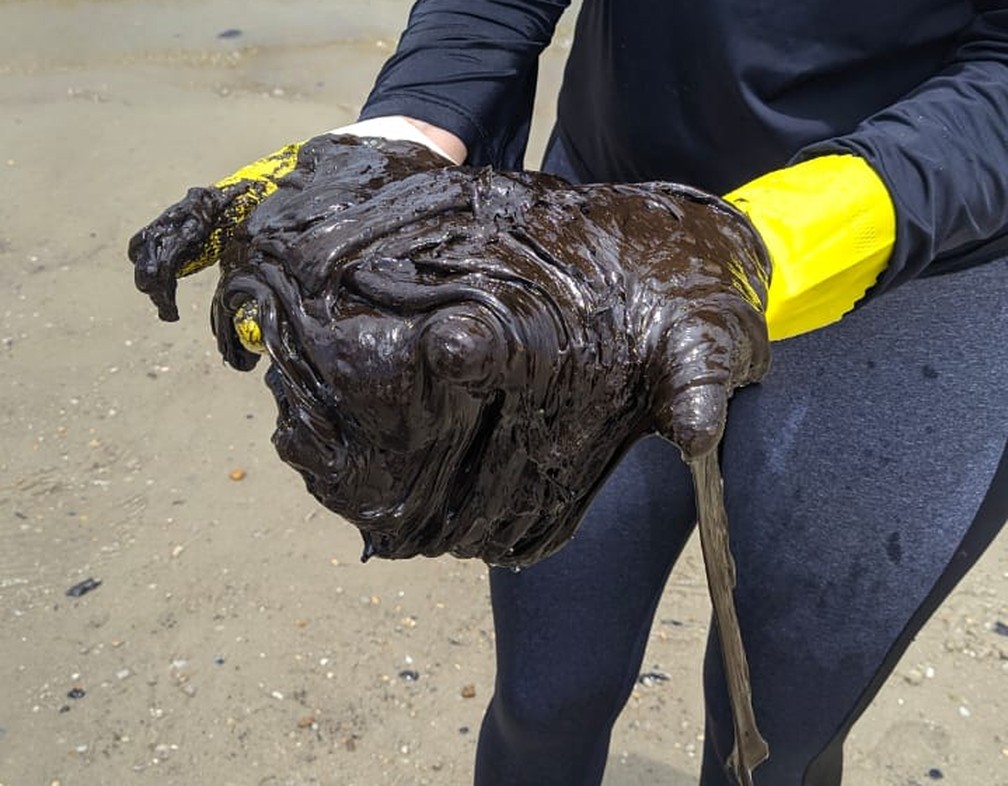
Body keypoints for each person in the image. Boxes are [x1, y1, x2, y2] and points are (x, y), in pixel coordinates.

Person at [131, 1, 1008, 783]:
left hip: (923, 279)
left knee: (778, 740)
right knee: (546, 698)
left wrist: (772, 239)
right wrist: (408, 131)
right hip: (584, 245)